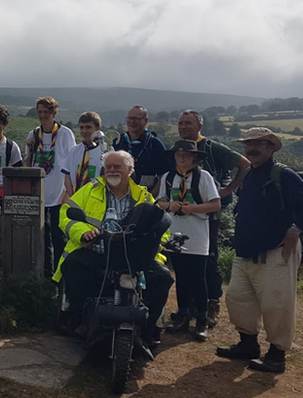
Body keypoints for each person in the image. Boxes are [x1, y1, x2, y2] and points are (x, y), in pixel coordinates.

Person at [216, 128, 303, 374]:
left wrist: (296, 230)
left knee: (277, 305)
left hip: (276, 253)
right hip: (245, 251)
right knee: (238, 300)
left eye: (259, 144)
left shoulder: (284, 175)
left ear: (271, 147)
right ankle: (248, 345)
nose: (252, 148)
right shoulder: (250, 175)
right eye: (249, 144)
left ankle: (276, 356)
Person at [54, 151, 174, 345]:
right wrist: (83, 232)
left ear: (130, 169)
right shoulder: (89, 190)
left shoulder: (144, 195)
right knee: (72, 265)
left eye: (117, 166)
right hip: (97, 252)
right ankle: (78, 319)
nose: (111, 170)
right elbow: (66, 214)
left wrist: (156, 247)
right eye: (108, 166)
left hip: (134, 258)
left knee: (162, 277)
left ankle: (151, 326)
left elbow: (160, 225)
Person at [178, 109, 251, 327]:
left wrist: (228, 189)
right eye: (180, 123)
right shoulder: (180, 148)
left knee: (208, 258)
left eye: (188, 123)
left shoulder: (212, 147)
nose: (183, 127)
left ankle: (211, 305)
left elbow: (245, 164)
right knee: (185, 257)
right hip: (185, 213)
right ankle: (190, 306)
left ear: (200, 126)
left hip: (210, 213)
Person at [158, 140, 221, 341]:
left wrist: (192, 209)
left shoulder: (204, 177)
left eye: (186, 154)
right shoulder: (168, 178)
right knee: (181, 277)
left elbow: (215, 204)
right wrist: (170, 205)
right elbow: (158, 202)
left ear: (194, 156)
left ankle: (202, 320)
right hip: (174, 233)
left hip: (197, 234)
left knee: (198, 278)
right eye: (179, 154)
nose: (182, 157)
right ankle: (182, 315)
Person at [24, 97, 77, 277]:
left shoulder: (65, 133)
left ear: (54, 113)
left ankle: (60, 276)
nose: (42, 116)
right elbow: (27, 165)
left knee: (58, 236)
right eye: (39, 112)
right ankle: (47, 275)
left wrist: (67, 193)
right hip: (39, 193)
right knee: (42, 237)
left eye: (46, 112)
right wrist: (30, 150)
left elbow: (72, 163)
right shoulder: (33, 134)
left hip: (59, 193)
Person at [114, 105, 168, 192]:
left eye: (136, 119)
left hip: (146, 195)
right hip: (119, 194)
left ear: (146, 121)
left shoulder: (155, 144)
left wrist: (151, 197)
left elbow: (164, 175)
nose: (132, 121)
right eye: (129, 118)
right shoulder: (118, 142)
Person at [62, 111, 105, 197]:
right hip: (77, 198)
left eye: (88, 127)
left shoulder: (106, 150)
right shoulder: (74, 151)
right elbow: (67, 175)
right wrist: (72, 196)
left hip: (97, 199)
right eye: (82, 127)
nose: (84, 131)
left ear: (98, 128)